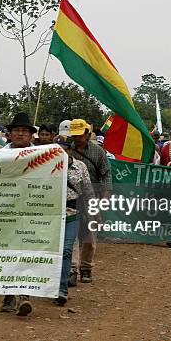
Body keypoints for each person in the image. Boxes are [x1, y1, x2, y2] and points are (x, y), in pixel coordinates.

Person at [69, 118, 112, 285]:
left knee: (89, 236)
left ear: (87, 134)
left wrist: (104, 200)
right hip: (71, 199)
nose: (77, 138)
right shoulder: (67, 150)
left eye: (80, 135)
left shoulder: (98, 152)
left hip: (91, 199)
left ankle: (86, 268)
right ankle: (72, 270)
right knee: (71, 236)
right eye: (74, 136)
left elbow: (106, 175)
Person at [53, 136, 94, 305]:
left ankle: (61, 289)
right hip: (51, 215)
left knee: (67, 249)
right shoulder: (48, 166)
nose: (61, 152)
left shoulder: (80, 167)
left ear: (70, 150)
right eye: (58, 150)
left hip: (72, 214)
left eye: (64, 149)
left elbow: (88, 191)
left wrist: (93, 212)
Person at [1, 112, 35, 316]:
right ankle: (8, 295)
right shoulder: (0, 155)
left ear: (31, 135)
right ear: (10, 134)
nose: (20, 134)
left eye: (24, 131)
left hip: (32, 210)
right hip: (5, 210)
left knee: (28, 252)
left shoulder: (43, 155)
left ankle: (24, 295)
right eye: (17, 130)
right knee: (7, 252)